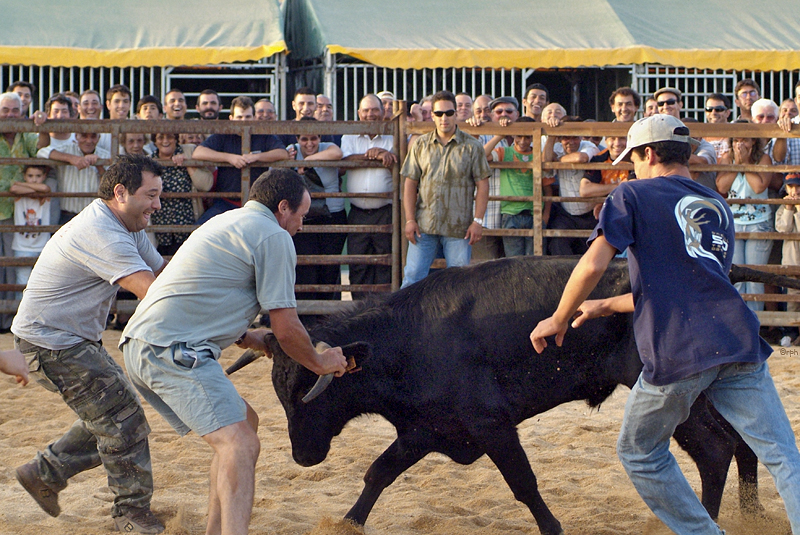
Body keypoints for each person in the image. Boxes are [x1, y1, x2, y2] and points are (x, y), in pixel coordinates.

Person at [531, 113, 800, 535]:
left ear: (649, 153)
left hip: (680, 347)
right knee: (783, 455)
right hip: (737, 339)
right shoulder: (716, 204)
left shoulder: (632, 194)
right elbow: (693, 282)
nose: (632, 168)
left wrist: (558, 317)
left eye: (633, 159)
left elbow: (592, 263)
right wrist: (605, 307)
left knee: (639, 451)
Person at [120, 168, 347, 535]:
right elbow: (287, 329)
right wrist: (321, 362)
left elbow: (201, 287)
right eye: (301, 217)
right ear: (283, 207)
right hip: (170, 347)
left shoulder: (226, 221)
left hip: (150, 341)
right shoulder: (274, 236)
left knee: (245, 425)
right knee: (239, 442)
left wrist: (244, 335)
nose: (301, 227)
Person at [12, 154, 167, 534]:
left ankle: (43, 472)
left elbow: (164, 274)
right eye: (151, 195)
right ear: (121, 193)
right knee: (123, 420)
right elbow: (151, 292)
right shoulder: (103, 231)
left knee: (112, 414)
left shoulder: (128, 226)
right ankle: (131, 513)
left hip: (69, 339)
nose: (158, 205)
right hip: (52, 343)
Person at [400, 90, 490, 288]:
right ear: (432, 115)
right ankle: (403, 320)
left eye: (449, 113)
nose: (444, 118)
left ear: (456, 113)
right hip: (424, 224)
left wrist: (478, 221)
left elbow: (483, 183)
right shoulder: (420, 145)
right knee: (412, 278)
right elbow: (410, 182)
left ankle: (458, 320)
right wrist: (409, 220)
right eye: (439, 113)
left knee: (459, 284)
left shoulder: (473, 146)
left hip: (459, 228)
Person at [193, 96, 288, 223]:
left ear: (254, 118)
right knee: (199, 229)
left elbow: (282, 153)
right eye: (239, 117)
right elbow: (198, 152)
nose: (244, 121)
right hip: (225, 203)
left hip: (257, 204)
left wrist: (256, 157)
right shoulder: (223, 135)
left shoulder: (263, 136)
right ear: (231, 118)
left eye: (248, 117)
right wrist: (229, 158)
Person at [341, 94, 396, 299]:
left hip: (385, 211)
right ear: (359, 113)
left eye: (374, 110)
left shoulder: (392, 137)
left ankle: (382, 313)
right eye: (366, 110)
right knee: (358, 264)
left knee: (385, 263)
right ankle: (358, 313)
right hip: (357, 212)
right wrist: (374, 154)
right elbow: (344, 162)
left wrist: (384, 155)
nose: (370, 114)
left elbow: (399, 167)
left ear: (383, 113)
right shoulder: (350, 136)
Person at [286, 117, 346, 301]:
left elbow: (337, 154)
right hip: (305, 218)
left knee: (329, 267)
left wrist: (308, 160)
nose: (310, 143)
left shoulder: (327, 147)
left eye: (314, 138)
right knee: (305, 267)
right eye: (304, 139)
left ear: (320, 137)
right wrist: (292, 162)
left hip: (332, 215)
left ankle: (327, 314)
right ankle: (307, 314)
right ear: (297, 139)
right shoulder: (291, 151)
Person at [716, 122, 773, 312]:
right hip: (734, 223)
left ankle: (756, 322)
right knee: (736, 276)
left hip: (759, 223)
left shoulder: (764, 158)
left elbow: (758, 187)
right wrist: (737, 164)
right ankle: (739, 322)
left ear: (754, 141)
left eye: (745, 140)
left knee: (755, 278)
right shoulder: (726, 159)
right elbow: (722, 187)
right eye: (737, 140)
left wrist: (746, 163)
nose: (741, 145)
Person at [0, 92, 38, 330]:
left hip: (17, 212)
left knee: (11, 268)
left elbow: (42, 150)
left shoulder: (27, 136)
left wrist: (42, 123)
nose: (10, 115)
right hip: (8, 206)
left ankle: (6, 320)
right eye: (5, 110)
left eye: (15, 110)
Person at [485, 116, 550, 256]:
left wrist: (545, 216)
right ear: (513, 134)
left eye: (527, 137)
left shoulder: (538, 155)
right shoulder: (505, 152)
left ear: (533, 137)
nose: (523, 141)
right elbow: (482, 155)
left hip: (535, 213)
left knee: (535, 261)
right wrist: (500, 134)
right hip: (510, 213)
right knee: (514, 260)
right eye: (519, 136)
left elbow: (547, 188)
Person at [544, 116, 600, 256]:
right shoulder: (557, 147)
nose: (570, 142)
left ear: (581, 137)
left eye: (575, 137)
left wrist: (558, 161)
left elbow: (581, 158)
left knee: (590, 252)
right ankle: (564, 277)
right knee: (557, 244)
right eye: (565, 137)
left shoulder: (589, 146)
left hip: (591, 213)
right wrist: (551, 134)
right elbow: (544, 163)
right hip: (567, 213)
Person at [149, 132, 213, 255]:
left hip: (187, 225)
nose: (165, 141)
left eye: (169, 136)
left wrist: (188, 164)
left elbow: (206, 185)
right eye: (160, 137)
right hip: (161, 230)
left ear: (176, 139)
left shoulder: (189, 151)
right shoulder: (149, 161)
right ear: (155, 141)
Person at [39, 131, 109, 223]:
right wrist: (71, 158)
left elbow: (109, 189)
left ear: (98, 138)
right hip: (67, 216)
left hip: (94, 216)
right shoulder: (66, 150)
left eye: (93, 136)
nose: (89, 141)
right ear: (76, 136)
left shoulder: (105, 156)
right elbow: (41, 152)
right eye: (84, 136)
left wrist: (99, 165)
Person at [10, 165, 53, 298]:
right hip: (22, 246)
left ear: (44, 176)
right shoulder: (19, 195)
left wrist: (23, 185)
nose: (34, 180)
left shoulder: (46, 193)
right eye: (30, 176)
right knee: (22, 282)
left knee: (42, 284)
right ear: (24, 176)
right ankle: (21, 315)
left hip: (42, 245)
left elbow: (45, 188)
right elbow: (14, 188)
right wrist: (33, 190)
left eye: (38, 176)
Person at [775, 172, 800, 346]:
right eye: (791, 187)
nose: (795, 191)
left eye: (798, 186)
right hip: (791, 260)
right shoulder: (782, 207)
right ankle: (790, 333)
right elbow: (783, 229)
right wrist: (789, 209)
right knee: (791, 298)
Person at [703, 93, 732, 160]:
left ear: (727, 113)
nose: (713, 113)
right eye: (709, 109)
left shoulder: (736, 133)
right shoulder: (700, 135)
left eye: (718, 109)